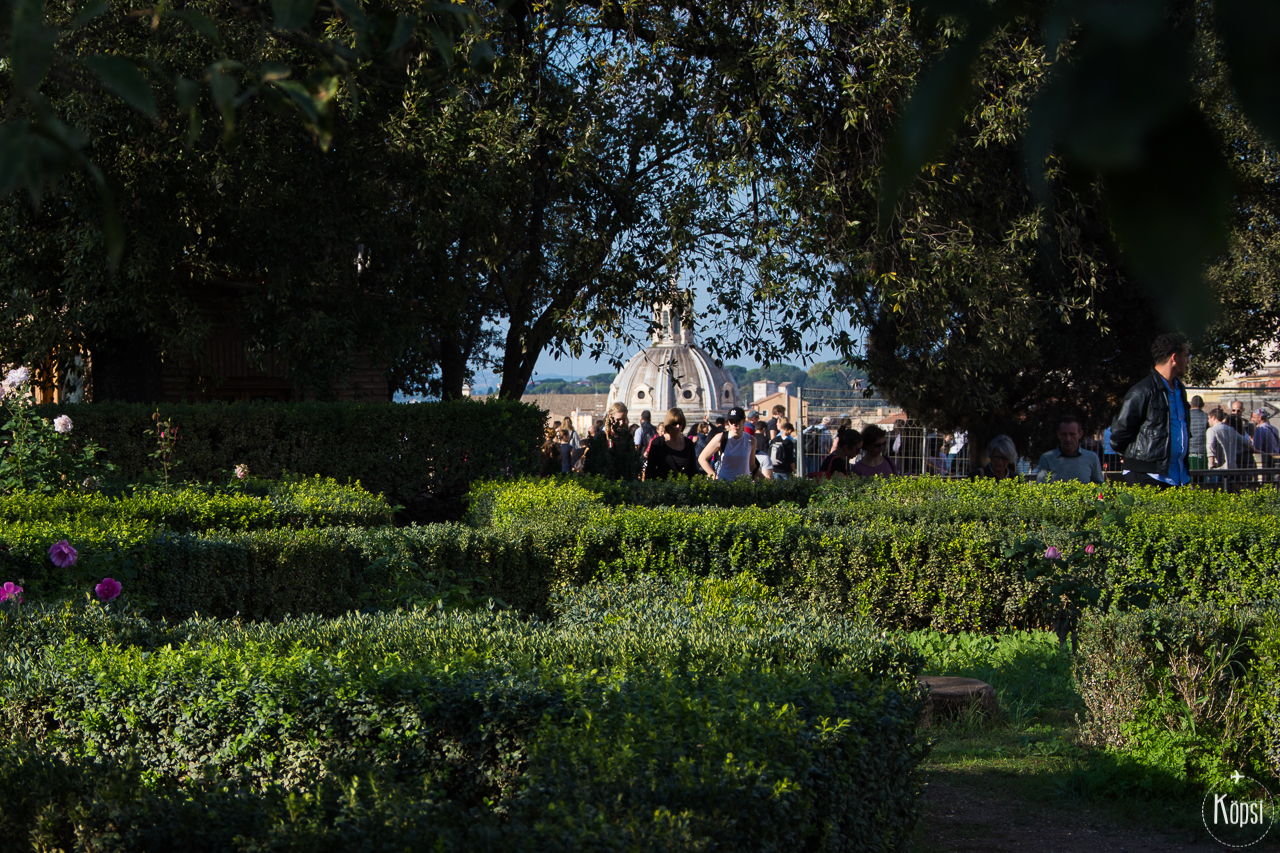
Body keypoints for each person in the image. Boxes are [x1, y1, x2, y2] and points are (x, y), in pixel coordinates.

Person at [1109, 333, 1192, 488]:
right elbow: (1119, 433)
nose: (1188, 361)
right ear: (1175, 358)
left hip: (1177, 475)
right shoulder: (1142, 391)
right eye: (1186, 356)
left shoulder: (1180, 390)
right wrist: (1132, 459)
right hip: (1147, 477)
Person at [698, 406, 763, 481]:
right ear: (728, 423)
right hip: (725, 486)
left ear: (743, 421)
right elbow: (702, 459)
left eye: (737, 421)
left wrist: (768, 482)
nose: (734, 424)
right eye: (731, 422)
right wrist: (714, 476)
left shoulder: (751, 440)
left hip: (744, 487)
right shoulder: (721, 438)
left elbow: (752, 466)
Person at [1036, 415, 1104, 484]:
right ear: (1058, 434)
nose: (1068, 439)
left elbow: (1099, 486)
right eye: (1064, 434)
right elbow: (1041, 487)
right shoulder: (1047, 458)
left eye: (1072, 434)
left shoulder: (1091, 458)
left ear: (1080, 434)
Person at [641, 408, 699, 480]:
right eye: (674, 424)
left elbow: (693, 470)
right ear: (668, 424)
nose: (678, 426)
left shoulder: (688, 444)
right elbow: (650, 470)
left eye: (680, 423)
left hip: (685, 488)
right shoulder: (657, 443)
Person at [1207, 407, 1249, 472]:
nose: (1208, 420)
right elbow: (1245, 441)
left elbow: (1210, 447)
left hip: (1219, 467)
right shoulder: (1231, 430)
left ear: (1213, 417)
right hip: (1232, 467)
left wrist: (1211, 464)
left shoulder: (1212, 430)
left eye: (1209, 418)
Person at [1252, 409, 1279, 475]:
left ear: (1260, 417)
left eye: (1253, 417)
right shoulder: (1274, 428)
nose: (1252, 419)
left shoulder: (1260, 430)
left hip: (1267, 464)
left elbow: (1257, 448)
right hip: (1277, 461)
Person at [1188, 396, 1208, 471]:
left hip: (1188, 450)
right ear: (1203, 405)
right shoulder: (1206, 417)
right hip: (1202, 451)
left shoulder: (1185, 416)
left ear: (1191, 405)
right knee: (1201, 477)